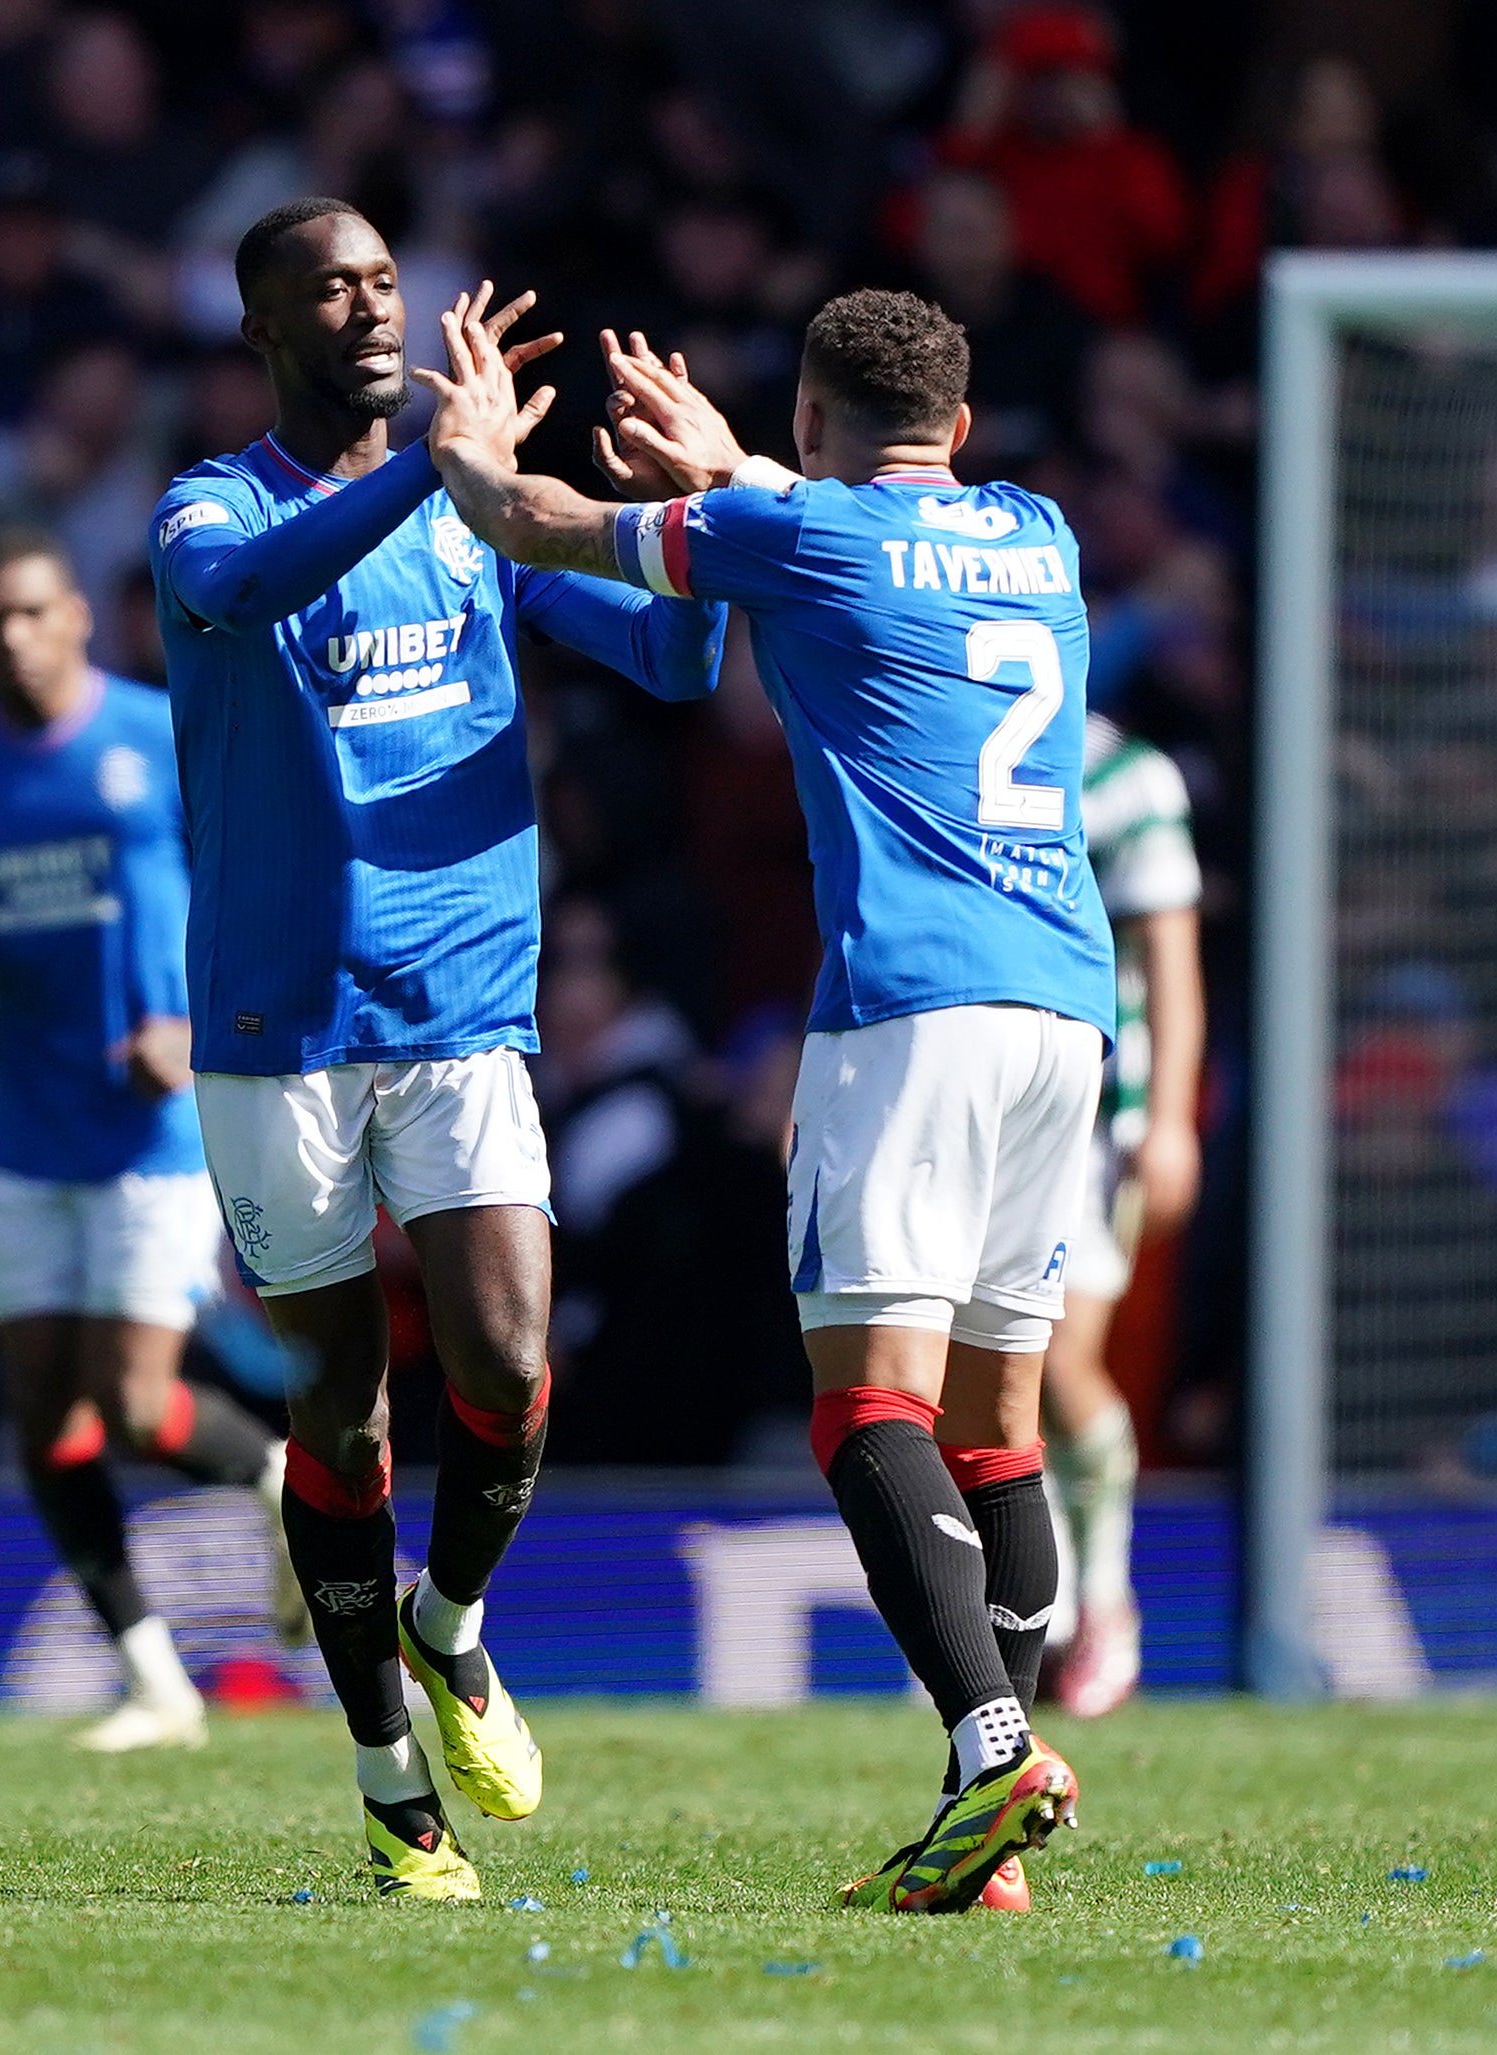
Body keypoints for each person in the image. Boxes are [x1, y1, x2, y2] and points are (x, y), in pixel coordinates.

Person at [419, 286, 1113, 1913]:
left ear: (809, 418)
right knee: (994, 1427)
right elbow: (844, 523)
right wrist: (739, 468)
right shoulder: (1039, 533)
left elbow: (542, 522)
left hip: (910, 1014)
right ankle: (980, 1830)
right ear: (965, 421)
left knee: (865, 1407)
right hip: (1065, 1015)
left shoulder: (801, 541)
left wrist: (460, 451)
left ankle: (994, 1746)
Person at [146, 198, 723, 1901]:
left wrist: (673, 512)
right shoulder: (208, 508)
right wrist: (449, 475)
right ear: (263, 330)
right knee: (336, 1406)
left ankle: (449, 1627)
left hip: (459, 1010)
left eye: (385, 280)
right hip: (276, 1028)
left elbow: (676, 663)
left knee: (508, 1363)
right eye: (327, 288)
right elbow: (248, 588)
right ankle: (394, 1792)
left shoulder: (467, 523)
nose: (369, 307)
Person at [0, 528, 303, 1756]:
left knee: (129, 1401)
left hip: (152, 1132)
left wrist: (201, 1022)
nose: (13, 639)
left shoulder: (157, 734)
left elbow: (253, 883)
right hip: (21, 1133)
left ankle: (279, 1477)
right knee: (45, 1417)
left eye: (31, 613)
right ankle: (153, 1680)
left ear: (74, 616)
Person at [1039, 709, 1202, 1718]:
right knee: (974, 1368)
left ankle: (1101, 1604)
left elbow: (1170, 964)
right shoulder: (936, 734)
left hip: (1092, 1114)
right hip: (966, 1098)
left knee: (1056, 1363)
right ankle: (1042, 1614)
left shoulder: (1129, 776)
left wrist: (1172, 1117)